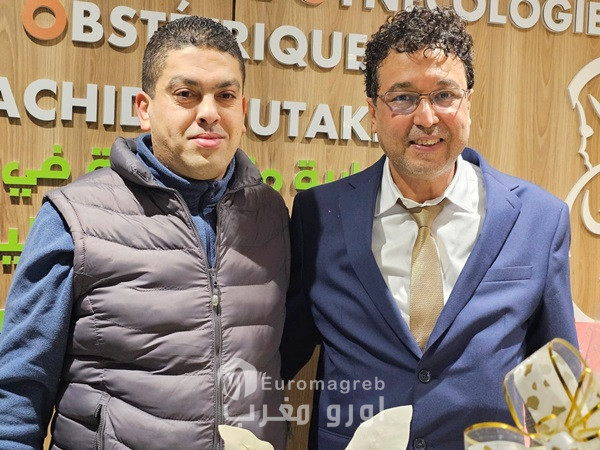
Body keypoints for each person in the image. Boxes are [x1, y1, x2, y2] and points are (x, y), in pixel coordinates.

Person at [280, 6, 577, 450]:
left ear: (468, 103)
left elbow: (558, 385)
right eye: (402, 97)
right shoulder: (318, 214)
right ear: (373, 112)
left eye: (444, 95)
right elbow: (281, 354)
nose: (426, 118)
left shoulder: (539, 218)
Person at [0, 16, 290, 450]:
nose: (209, 113)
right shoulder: (74, 217)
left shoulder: (269, 214)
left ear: (242, 111)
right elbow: (18, 393)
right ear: (144, 108)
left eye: (225, 96)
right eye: (186, 94)